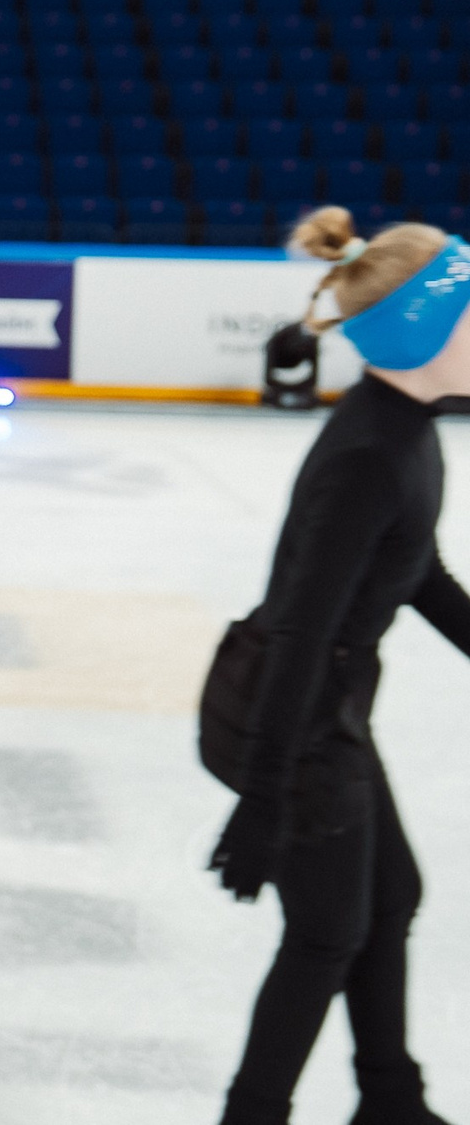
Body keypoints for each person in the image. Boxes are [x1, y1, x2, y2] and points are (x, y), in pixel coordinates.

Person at [209, 205, 470, 1125]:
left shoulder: (407, 426)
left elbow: (415, 567)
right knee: (327, 935)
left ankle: (390, 1100)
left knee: (390, 896)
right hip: (293, 711)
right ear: (422, 330)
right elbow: (301, 635)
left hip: (327, 705)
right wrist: (264, 796)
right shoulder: (369, 455)